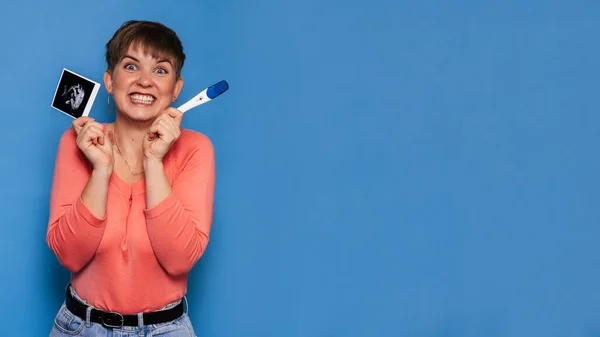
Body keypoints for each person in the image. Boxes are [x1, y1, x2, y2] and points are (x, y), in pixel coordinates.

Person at [46, 20, 215, 337]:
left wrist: (154, 160)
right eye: (131, 66)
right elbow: (69, 254)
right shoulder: (79, 143)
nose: (145, 81)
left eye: (161, 71)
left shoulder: (196, 148)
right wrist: (100, 170)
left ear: (176, 89)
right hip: (79, 328)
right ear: (110, 81)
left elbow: (179, 259)